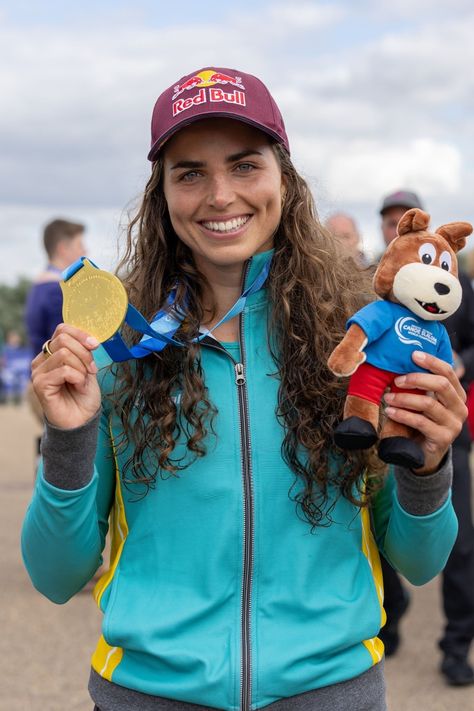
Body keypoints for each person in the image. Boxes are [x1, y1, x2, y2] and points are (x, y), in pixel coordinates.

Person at [21, 67, 466, 711]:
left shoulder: (358, 345)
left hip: (331, 695)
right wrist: (68, 436)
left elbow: (420, 562)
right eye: (190, 172)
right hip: (149, 696)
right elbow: (56, 575)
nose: (220, 195)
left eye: (244, 165)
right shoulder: (118, 350)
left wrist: (430, 465)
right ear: (162, 195)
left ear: (283, 179)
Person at [25, 218, 87, 358]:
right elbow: (66, 346)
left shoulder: (38, 286)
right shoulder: (57, 290)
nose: (85, 250)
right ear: (63, 249)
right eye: (80, 245)